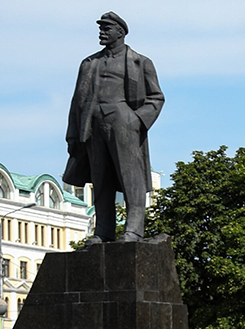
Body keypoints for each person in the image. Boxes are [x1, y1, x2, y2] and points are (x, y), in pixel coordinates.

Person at [64, 11, 164, 245]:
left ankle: (134, 230)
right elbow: (76, 101)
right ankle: (104, 231)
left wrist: (136, 120)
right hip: (93, 124)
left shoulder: (140, 62)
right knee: (100, 180)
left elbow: (156, 97)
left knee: (131, 178)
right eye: (101, 28)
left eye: (107, 29)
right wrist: (73, 134)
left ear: (120, 32)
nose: (102, 32)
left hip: (123, 121)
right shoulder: (89, 63)